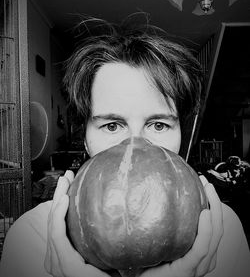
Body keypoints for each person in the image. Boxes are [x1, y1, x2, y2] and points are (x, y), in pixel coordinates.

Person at [0, 16, 249, 277]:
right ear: (83, 137)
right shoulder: (31, 239)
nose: (136, 144)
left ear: (181, 137)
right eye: (112, 125)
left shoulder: (224, 233)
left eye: (158, 125)